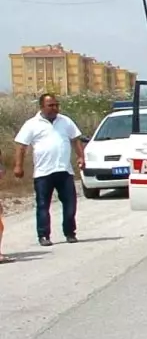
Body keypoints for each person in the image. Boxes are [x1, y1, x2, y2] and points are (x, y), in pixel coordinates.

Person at [12, 93, 85, 247]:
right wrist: (18, 165)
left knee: (70, 204)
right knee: (43, 205)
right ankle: (44, 235)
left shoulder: (65, 121)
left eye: (56, 105)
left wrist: (81, 157)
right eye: (50, 105)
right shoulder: (31, 124)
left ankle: (70, 233)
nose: (55, 108)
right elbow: (21, 145)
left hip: (64, 170)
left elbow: (75, 140)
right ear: (41, 107)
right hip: (43, 173)